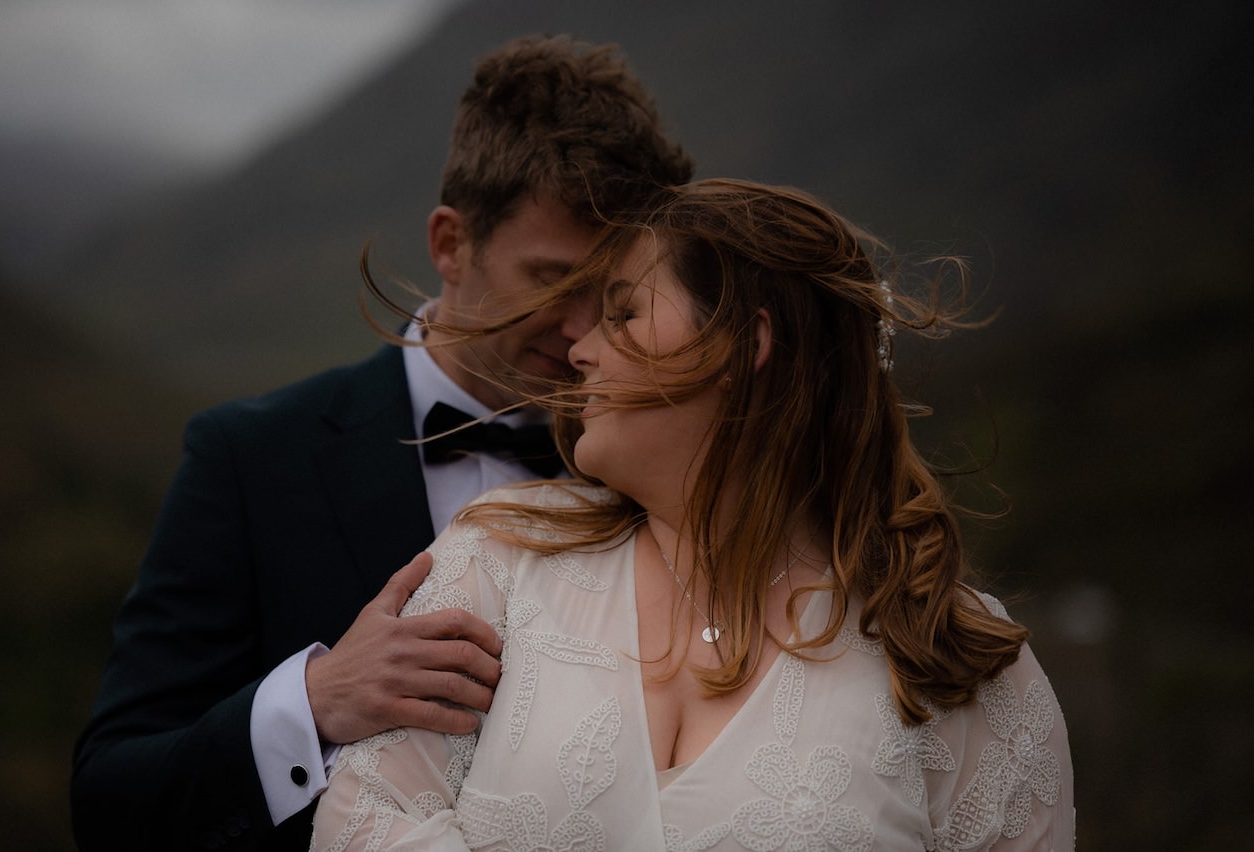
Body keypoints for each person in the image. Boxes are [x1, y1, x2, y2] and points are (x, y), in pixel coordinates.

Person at [309, 179, 1076, 850]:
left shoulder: (954, 661)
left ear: (746, 347)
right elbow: (368, 817)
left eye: (624, 314)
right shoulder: (497, 557)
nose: (580, 350)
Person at [70, 35, 693, 852]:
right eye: (553, 280)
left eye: (609, 297)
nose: (582, 333)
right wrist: (314, 699)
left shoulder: (655, 470)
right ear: (449, 243)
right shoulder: (249, 460)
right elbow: (109, 799)